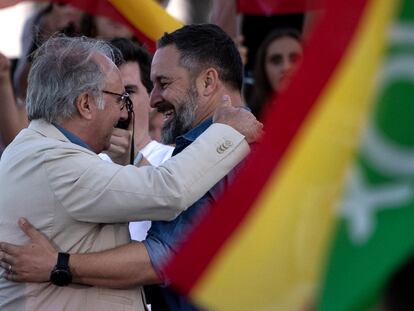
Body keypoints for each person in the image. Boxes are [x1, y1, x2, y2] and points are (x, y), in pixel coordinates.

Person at [0, 34, 262, 310]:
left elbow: (164, 251)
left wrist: (58, 264)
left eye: (163, 83)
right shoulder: (53, 162)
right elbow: (166, 191)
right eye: (120, 98)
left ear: (208, 81)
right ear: (86, 104)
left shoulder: (37, 151)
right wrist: (227, 132)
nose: (127, 112)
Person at [248, 28, 303, 118]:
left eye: (295, 59)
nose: (286, 67)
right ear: (263, 68)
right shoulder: (249, 120)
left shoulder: (326, 111)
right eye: (276, 60)